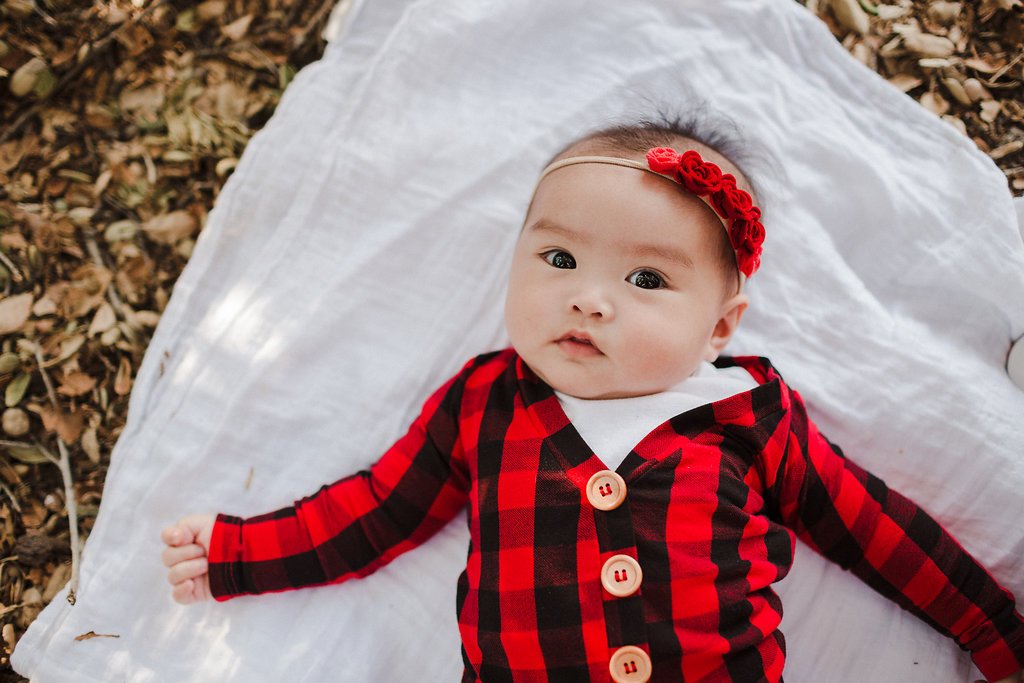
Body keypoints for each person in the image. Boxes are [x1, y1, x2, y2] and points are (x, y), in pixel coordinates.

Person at [160, 117, 1024, 683]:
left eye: (646, 278)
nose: (590, 298)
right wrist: (242, 553)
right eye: (559, 260)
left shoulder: (746, 414)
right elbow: (380, 510)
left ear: (719, 327)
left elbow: (874, 527)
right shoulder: (486, 404)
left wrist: (989, 627)